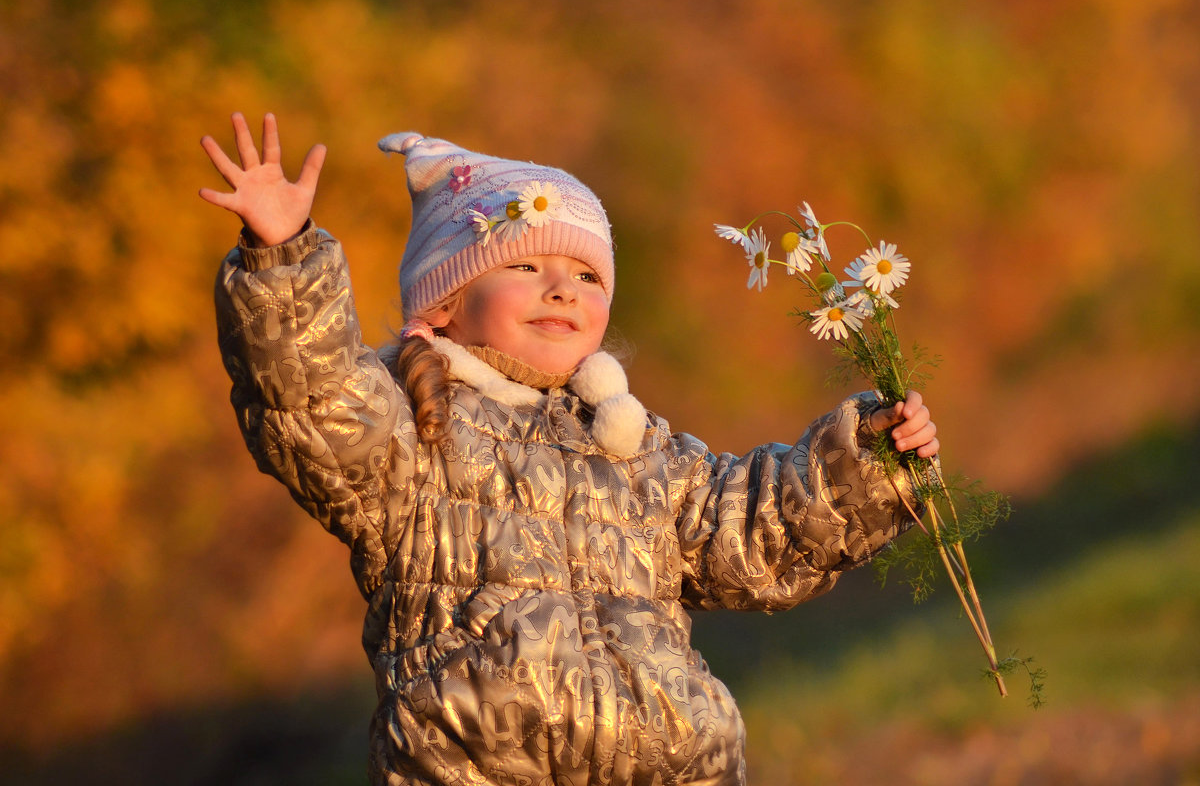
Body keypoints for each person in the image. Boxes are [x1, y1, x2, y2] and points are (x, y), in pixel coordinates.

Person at [202, 112, 939, 786]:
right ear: (446, 303)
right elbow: (312, 398)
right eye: (525, 266)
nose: (562, 289)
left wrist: (872, 460)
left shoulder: (636, 447)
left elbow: (753, 529)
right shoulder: (412, 435)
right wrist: (284, 259)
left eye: (587, 276)